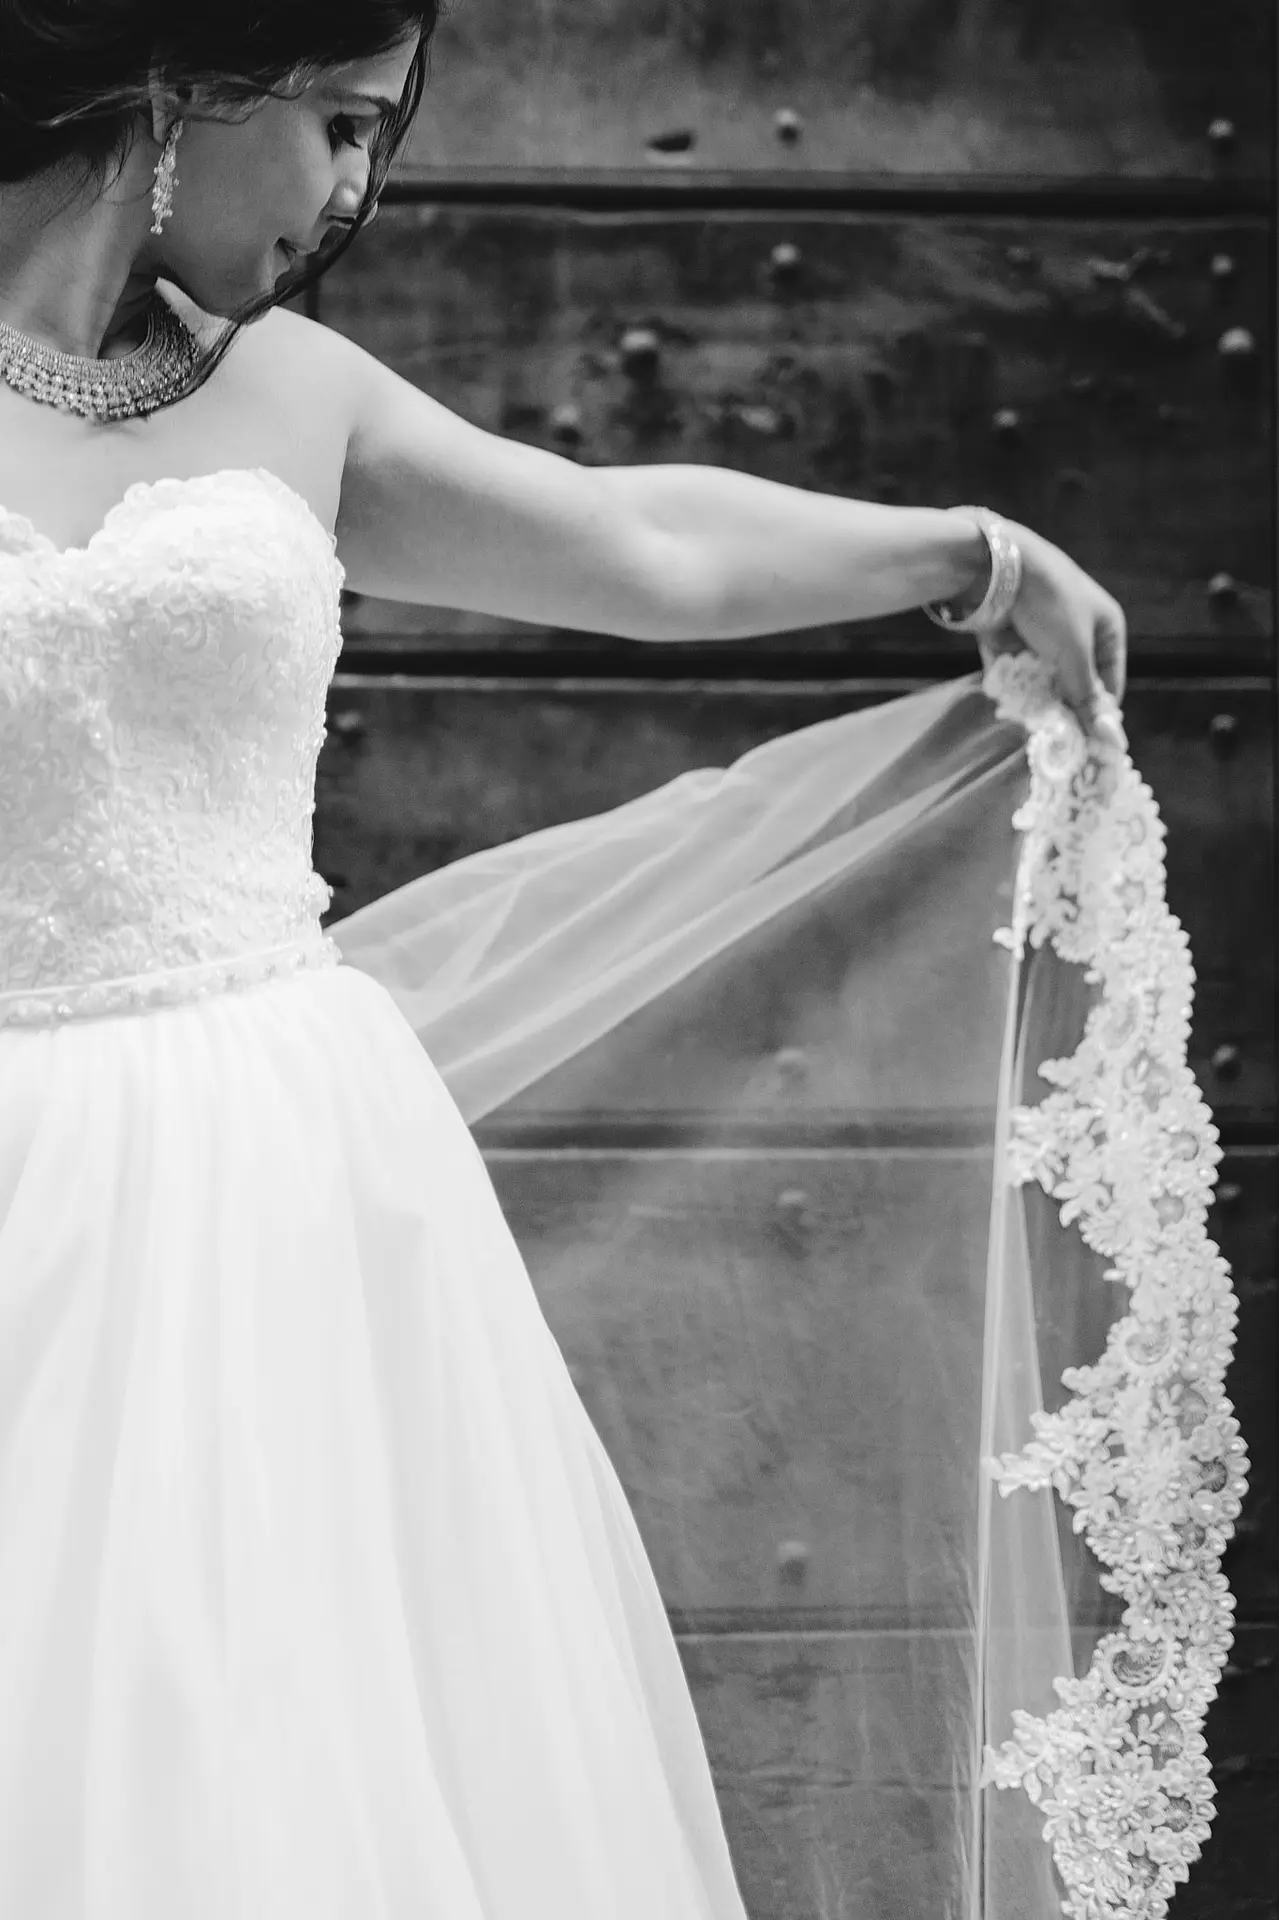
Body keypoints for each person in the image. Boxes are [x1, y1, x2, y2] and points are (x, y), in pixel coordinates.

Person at [0, 8, 1241, 1920]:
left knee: (314, 1751)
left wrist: (973, 551)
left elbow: (637, 545)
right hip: (30, 1189)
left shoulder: (298, 396)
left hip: (296, 1192)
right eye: (337, 123)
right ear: (194, 82)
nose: (350, 192)